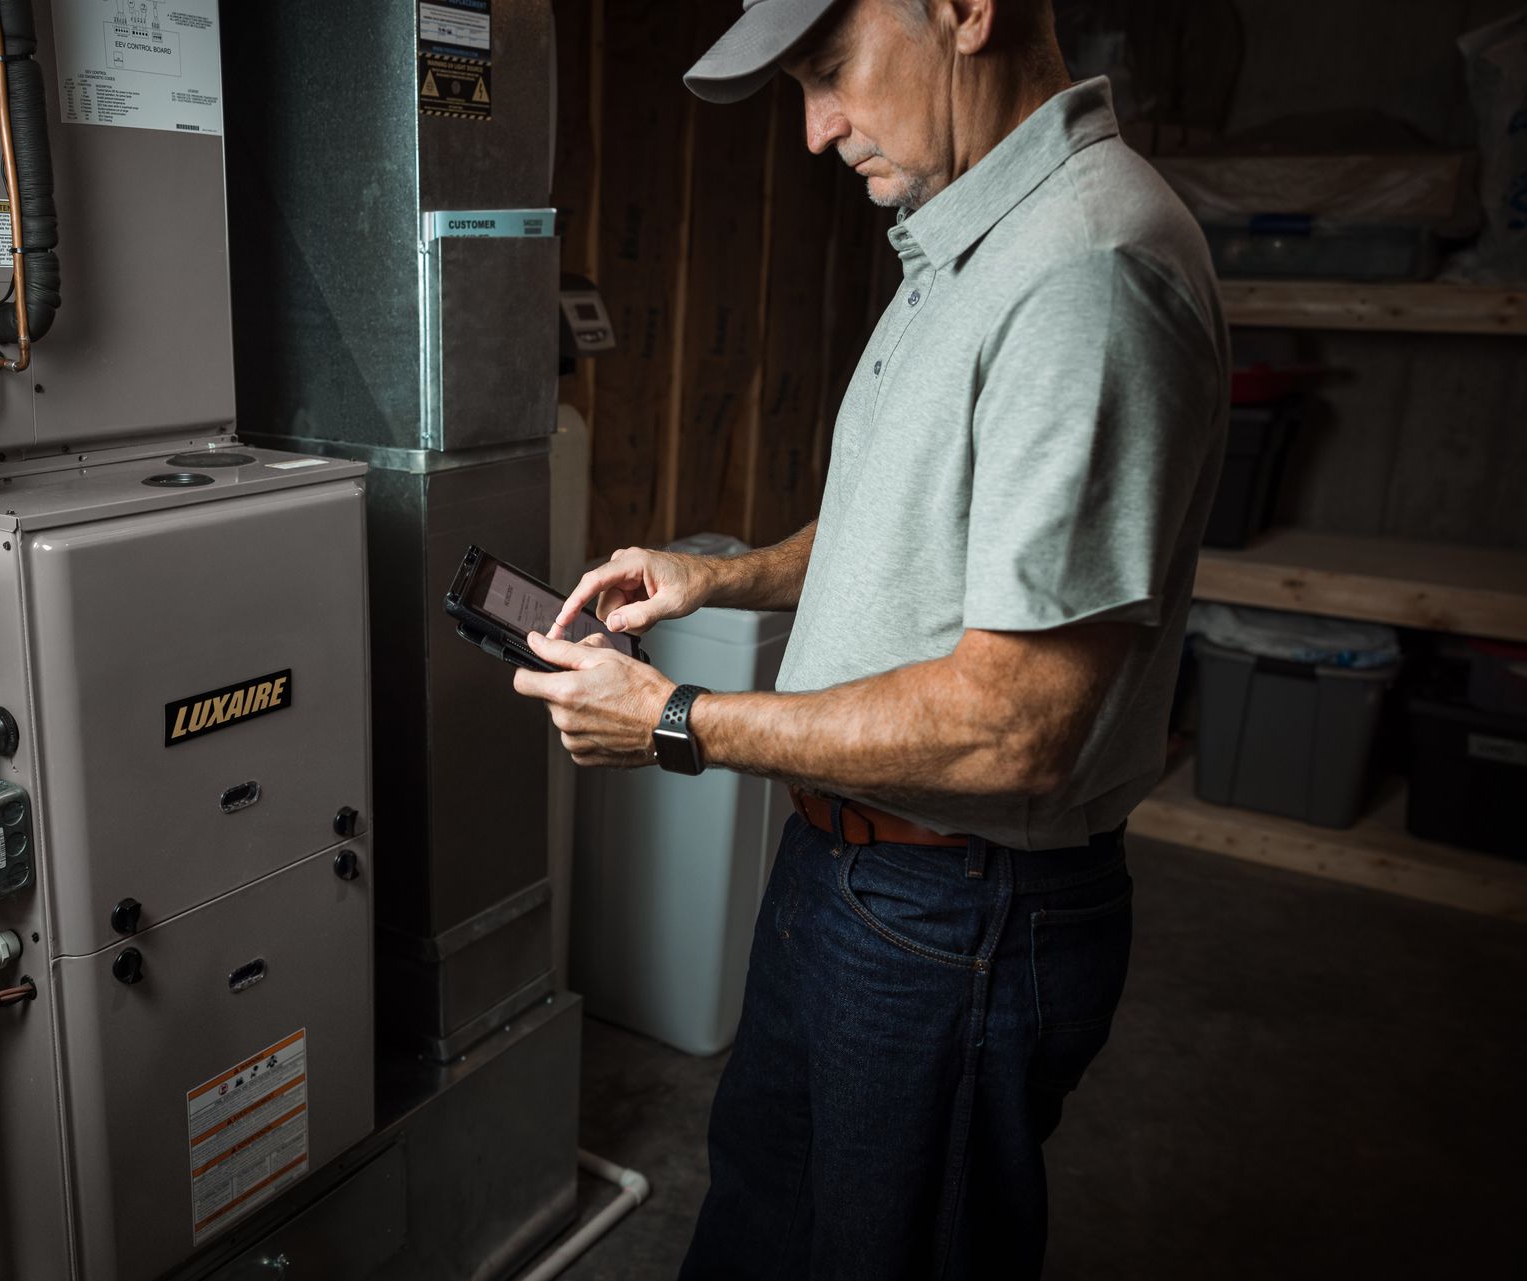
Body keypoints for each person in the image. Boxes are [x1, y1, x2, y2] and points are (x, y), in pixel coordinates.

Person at [509, 0, 1229, 1275]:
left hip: (957, 911)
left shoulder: (1084, 272)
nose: (815, 130)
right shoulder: (966, 239)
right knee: (758, 1231)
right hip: (850, 876)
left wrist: (675, 721)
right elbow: (909, 530)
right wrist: (716, 579)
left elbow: (1019, 730)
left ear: (964, 9)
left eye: (830, 72)